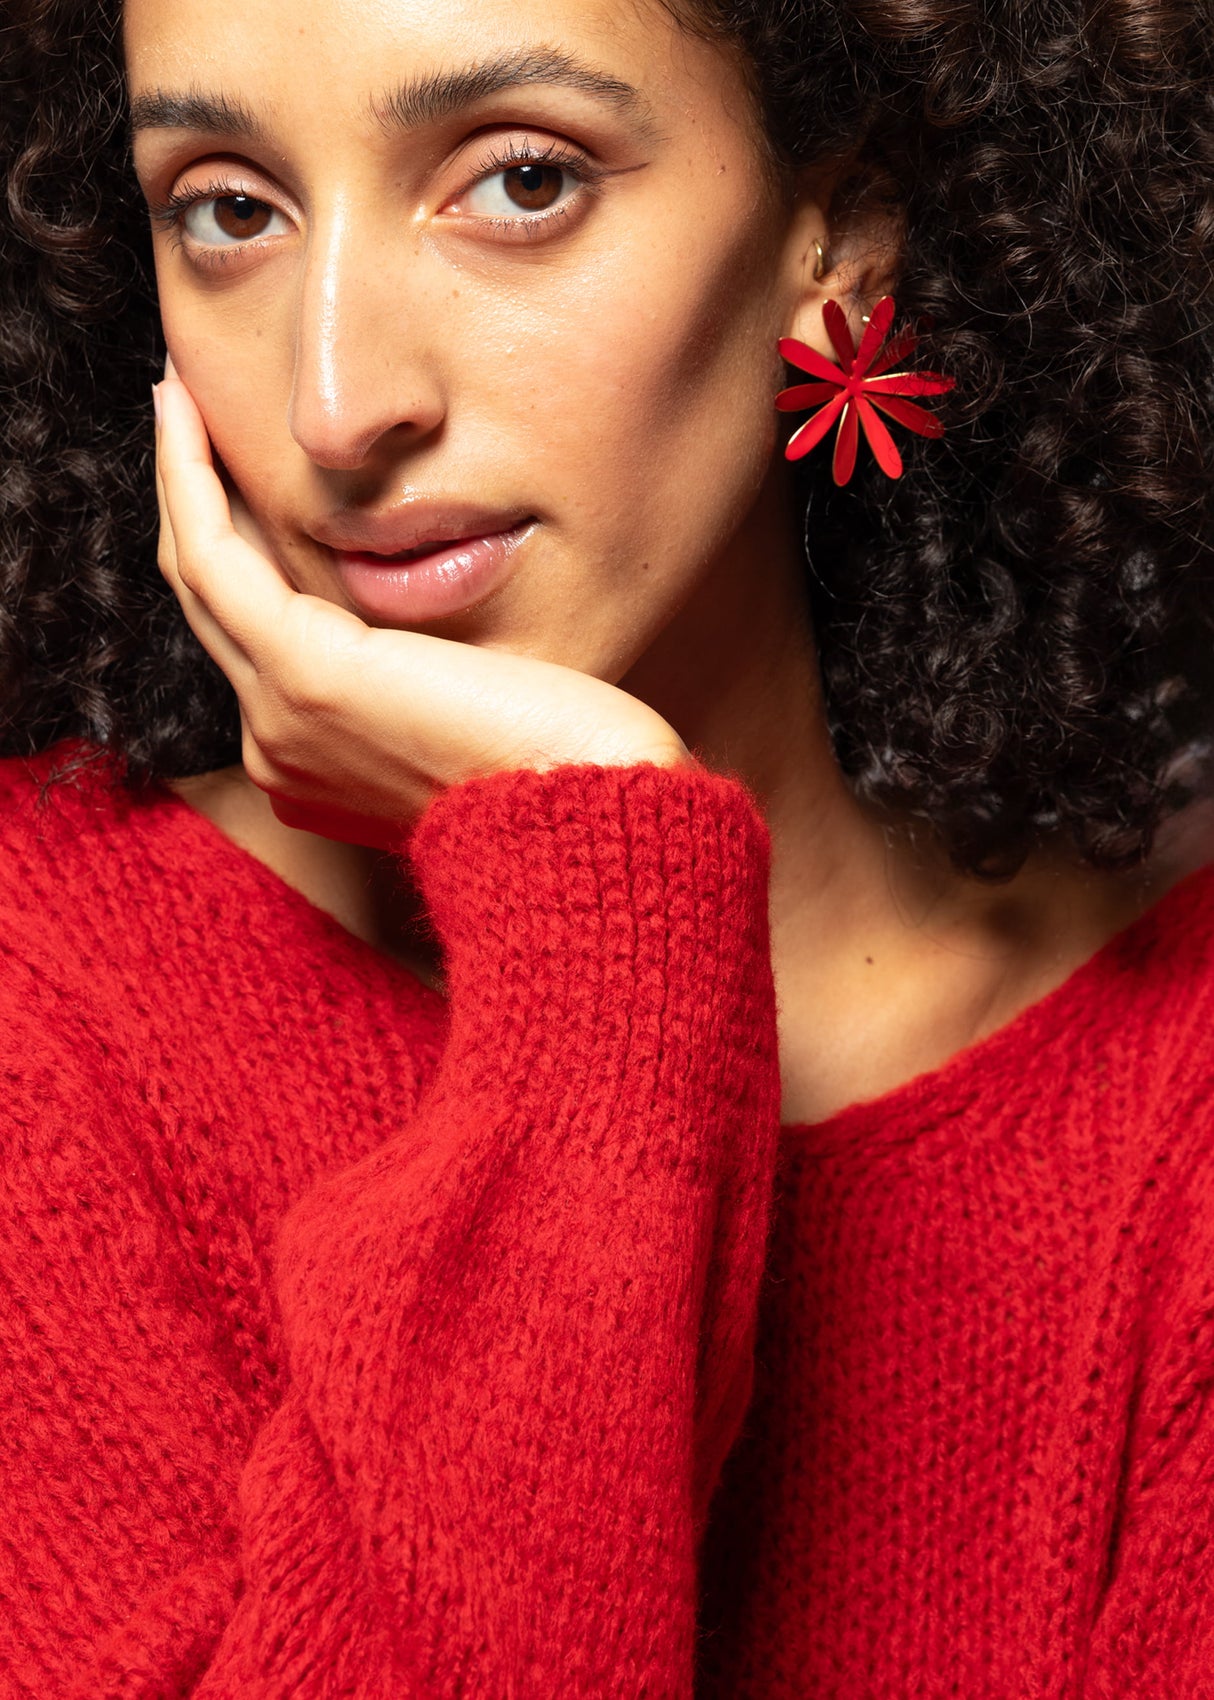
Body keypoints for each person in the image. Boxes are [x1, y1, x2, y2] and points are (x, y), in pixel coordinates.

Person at [2, 0, 1212, 1690]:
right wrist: (595, 919)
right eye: (228, 208)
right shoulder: (41, 1003)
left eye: (516, 182)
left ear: (838, 231)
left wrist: (597, 903)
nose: (339, 402)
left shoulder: (1178, 1112)